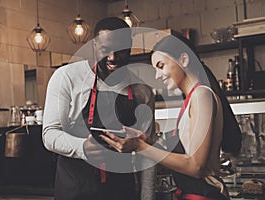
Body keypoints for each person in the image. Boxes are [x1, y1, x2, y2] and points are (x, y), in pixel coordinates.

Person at [100, 35, 241, 200]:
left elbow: (196, 166)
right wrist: (147, 142)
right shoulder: (193, 98)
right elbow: (186, 157)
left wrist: (140, 147)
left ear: (184, 59)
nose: (157, 76)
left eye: (161, 66)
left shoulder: (201, 95)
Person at [42, 17, 156, 200]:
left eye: (120, 52)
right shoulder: (66, 77)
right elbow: (49, 134)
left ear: (130, 48)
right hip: (75, 188)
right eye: (105, 50)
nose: (112, 58)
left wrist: (147, 198)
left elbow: (148, 152)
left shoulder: (142, 91)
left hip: (122, 190)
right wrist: (81, 147)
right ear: (94, 46)